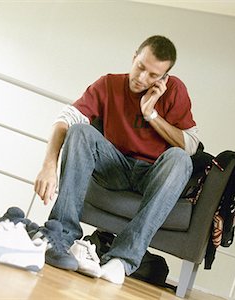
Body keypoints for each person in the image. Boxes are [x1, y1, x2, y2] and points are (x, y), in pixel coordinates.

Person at [34, 35, 200, 284]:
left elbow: (191, 145)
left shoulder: (175, 91)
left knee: (180, 159)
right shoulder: (109, 84)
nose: (142, 78)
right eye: (140, 67)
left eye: (153, 75)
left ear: (164, 78)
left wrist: (151, 114)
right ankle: (61, 236)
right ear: (134, 58)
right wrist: (48, 166)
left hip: (152, 174)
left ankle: (122, 259)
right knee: (80, 131)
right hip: (114, 166)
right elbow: (66, 118)